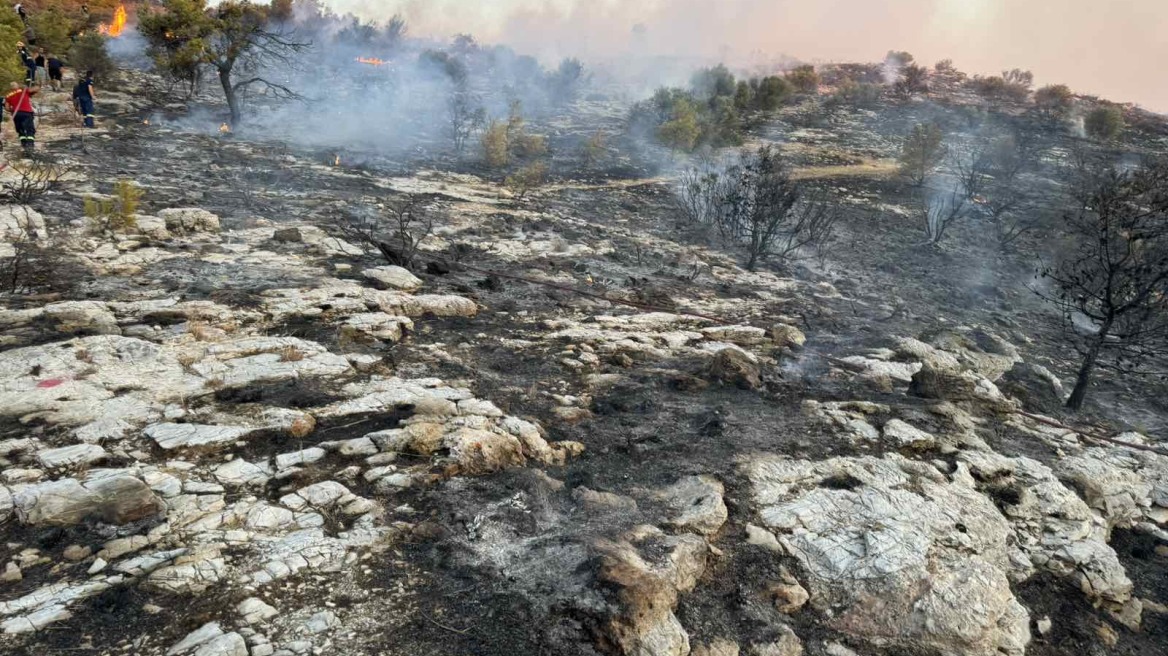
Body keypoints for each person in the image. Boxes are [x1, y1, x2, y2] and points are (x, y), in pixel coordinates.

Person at [5, 81, 39, 155]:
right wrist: (36, 84)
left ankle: (24, 145)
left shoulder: (8, 95)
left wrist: (13, 110)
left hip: (16, 114)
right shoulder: (23, 91)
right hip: (26, 113)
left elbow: (7, 108)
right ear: (17, 86)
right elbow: (35, 90)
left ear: (11, 88)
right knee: (29, 129)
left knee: (20, 130)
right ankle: (30, 145)